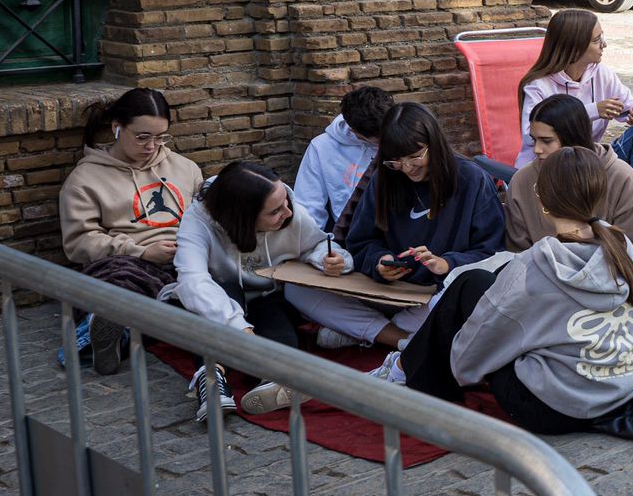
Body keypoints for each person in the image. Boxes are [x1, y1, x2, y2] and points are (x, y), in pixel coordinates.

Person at [372, 148, 633, 435]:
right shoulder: (620, 244)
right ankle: (406, 364)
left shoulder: (536, 263)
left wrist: (462, 363)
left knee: (470, 287)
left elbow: (477, 346)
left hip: (556, 408)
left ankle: (406, 368)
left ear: (544, 201)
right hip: (625, 385)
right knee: (484, 282)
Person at [169, 161, 352, 420]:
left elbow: (317, 243)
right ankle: (212, 383)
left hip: (269, 296)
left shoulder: (287, 208)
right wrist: (238, 326)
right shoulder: (199, 219)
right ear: (243, 216)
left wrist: (328, 259)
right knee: (223, 302)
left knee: (281, 333)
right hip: (221, 298)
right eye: (276, 211)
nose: (288, 212)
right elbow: (192, 280)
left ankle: (276, 377)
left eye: (287, 201)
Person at [332, 104, 506, 349]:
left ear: (434, 143)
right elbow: (360, 241)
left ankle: (371, 332)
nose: (407, 168)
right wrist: (380, 262)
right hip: (388, 293)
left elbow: (495, 253)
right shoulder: (385, 178)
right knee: (299, 294)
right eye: (396, 161)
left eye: (415, 156)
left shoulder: (471, 179)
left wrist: (446, 264)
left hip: (439, 295)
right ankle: (399, 336)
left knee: (457, 305)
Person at [59, 88, 205, 374]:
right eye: (142, 137)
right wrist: (140, 252)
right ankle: (100, 333)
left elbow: (203, 217)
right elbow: (79, 242)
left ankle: (119, 330)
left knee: (204, 283)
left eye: (161, 137)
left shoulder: (185, 168)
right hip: (127, 261)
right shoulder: (84, 179)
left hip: (184, 257)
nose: (152, 146)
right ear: (117, 128)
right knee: (118, 282)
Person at [506, 95, 633, 254]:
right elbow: (517, 250)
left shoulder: (620, 176)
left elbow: (632, 247)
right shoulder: (522, 180)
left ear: (573, 138)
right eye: (534, 140)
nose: (537, 149)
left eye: (546, 141)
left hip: (608, 274)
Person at [515, 9, 633, 169]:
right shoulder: (538, 85)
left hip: (586, 163)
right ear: (575, 47)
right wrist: (592, 111)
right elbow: (530, 136)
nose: (604, 45)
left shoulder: (602, 74)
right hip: (546, 168)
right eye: (596, 40)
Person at [295, 85, 393, 233]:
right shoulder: (321, 147)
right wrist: (317, 247)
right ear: (354, 132)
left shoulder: (399, 135)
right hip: (349, 232)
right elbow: (309, 207)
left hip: (395, 229)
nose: (385, 141)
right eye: (376, 140)